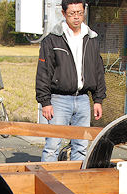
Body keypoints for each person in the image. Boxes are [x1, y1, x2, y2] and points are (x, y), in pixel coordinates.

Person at [35, 0, 106, 162]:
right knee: (53, 146)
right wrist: (45, 102)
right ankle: (48, 177)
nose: (76, 17)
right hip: (58, 100)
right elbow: (44, 72)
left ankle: (75, 177)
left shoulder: (91, 39)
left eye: (80, 13)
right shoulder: (52, 40)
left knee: (81, 146)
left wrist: (98, 100)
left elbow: (98, 70)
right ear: (63, 13)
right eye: (72, 13)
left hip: (83, 99)